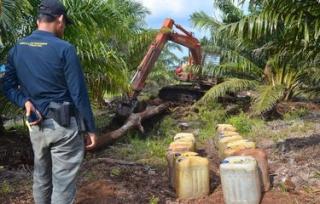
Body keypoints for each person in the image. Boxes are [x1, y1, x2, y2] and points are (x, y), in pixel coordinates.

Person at [2, 0, 97, 203]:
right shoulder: (65, 48)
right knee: (62, 185)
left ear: (38, 20)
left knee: (41, 177)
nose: (64, 28)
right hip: (63, 128)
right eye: (64, 23)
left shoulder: (17, 49)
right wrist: (90, 129)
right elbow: (79, 93)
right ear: (60, 19)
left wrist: (25, 102)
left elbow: (7, 85)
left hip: (35, 125)